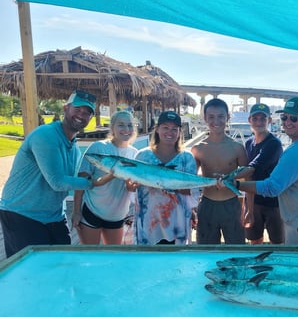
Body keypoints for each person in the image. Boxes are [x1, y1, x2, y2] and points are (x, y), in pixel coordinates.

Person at [0, 90, 109, 257]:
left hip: (53, 216)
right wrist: (94, 182)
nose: (81, 115)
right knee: (30, 273)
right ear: (65, 108)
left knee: (62, 264)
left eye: (87, 112)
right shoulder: (45, 135)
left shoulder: (74, 147)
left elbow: (70, 182)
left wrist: (77, 210)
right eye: (77, 109)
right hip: (21, 213)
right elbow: (57, 182)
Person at [219, 97, 298, 245]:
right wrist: (249, 207)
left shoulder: (297, 150)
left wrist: (235, 184)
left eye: (294, 118)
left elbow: (272, 187)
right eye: (284, 117)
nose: (287, 122)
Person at [191, 98, 252, 244]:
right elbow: (192, 181)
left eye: (220, 116)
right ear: (205, 118)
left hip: (231, 205)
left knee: (236, 250)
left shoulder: (237, 147)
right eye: (211, 117)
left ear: (227, 117)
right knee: (206, 253)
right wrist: (192, 208)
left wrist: (248, 208)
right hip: (207, 205)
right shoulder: (198, 149)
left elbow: (247, 178)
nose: (216, 121)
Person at [72, 110, 139, 245]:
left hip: (117, 216)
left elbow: (131, 189)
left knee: (112, 258)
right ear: (112, 127)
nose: (126, 129)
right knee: (91, 258)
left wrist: (131, 186)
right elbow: (81, 182)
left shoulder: (135, 154)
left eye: (130, 125)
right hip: (92, 212)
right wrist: (76, 212)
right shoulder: (98, 148)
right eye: (121, 125)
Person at [135, 111, 198, 245]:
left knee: (175, 262)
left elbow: (192, 192)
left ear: (180, 132)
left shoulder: (187, 158)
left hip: (177, 223)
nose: (170, 132)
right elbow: (131, 188)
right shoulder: (142, 156)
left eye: (174, 129)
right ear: (157, 129)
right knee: (149, 262)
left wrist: (170, 185)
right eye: (165, 128)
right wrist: (131, 185)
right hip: (149, 222)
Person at [244, 103, 284, 244]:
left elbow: (253, 168)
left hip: (274, 203)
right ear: (250, 120)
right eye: (255, 118)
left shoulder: (274, 144)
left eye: (263, 118)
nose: (259, 122)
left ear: (270, 121)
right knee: (254, 241)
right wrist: (249, 208)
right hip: (254, 202)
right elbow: (248, 177)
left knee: (278, 243)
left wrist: (229, 179)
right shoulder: (248, 143)